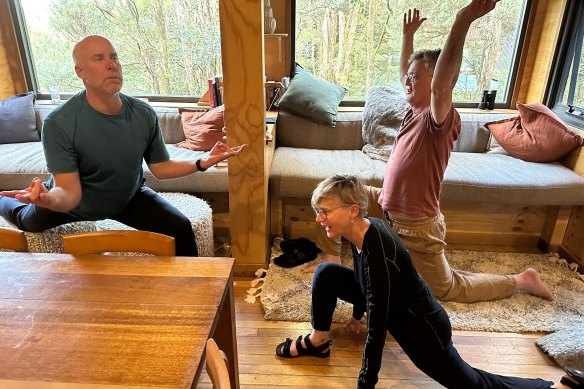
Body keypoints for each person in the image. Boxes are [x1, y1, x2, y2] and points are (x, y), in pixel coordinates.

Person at [308, 0, 553, 303]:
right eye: (409, 77)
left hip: (416, 225)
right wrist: (407, 38)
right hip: (383, 201)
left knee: (445, 289)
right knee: (332, 194)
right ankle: (333, 257)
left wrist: (463, 20)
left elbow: (440, 87)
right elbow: (404, 74)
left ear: (437, 83)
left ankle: (519, 280)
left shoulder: (438, 119)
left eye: (416, 77)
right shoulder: (413, 109)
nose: (408, 81)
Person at [276, 174, 558, 389]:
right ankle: (318, 341)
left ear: (352, 210)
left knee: (473, 384)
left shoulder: (379, 253)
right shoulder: (363, 228)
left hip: (422, 329)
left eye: (325, 211)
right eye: (318, 211)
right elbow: (366, 283)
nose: (318, 218)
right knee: (326, 273)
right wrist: (357, 314)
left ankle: (541, 386)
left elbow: (379, 323)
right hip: (400, 308)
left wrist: (366, 383)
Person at [0, 35, 245, 256]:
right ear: (80, 71)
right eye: (99, 58)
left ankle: (195, 296)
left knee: (179, 227)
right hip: (74, 204)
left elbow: (161, 167)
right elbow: (68, 192)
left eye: (114, 57)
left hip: (128, 197)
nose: (112, 64)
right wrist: (47, 199)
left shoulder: (143, 113)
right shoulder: (59, 123)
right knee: (26, 220)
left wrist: (202, 163)